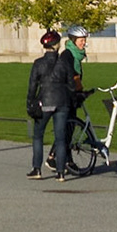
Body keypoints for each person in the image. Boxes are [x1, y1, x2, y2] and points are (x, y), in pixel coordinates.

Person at [25, 31, 74, 181]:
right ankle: (60, 172)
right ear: (57, 45)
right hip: (61, 102)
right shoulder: (64, 63)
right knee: (60, 138)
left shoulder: (38, 63)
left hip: (44, 102)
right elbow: (71, 85)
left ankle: (37, 169)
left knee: (38, 135)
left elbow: (32, 85)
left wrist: (30, 102)